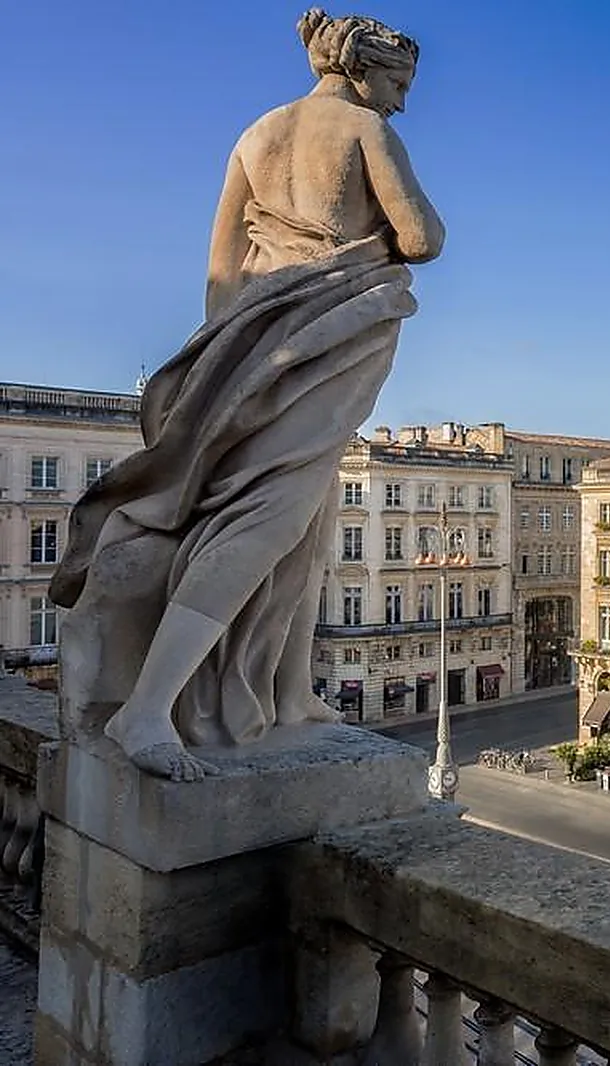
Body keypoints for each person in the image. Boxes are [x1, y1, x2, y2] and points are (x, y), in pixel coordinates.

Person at [50, 9, 444, 782]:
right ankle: (149, 707)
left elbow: (221, 268)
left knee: (314, 518)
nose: (402, 98)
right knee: (270, 515)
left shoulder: (255, 134)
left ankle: (289, 692)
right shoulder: (367, 131)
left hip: (249, 339)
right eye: (398, 80)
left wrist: (232, 359)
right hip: (323, 335)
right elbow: (423, 239)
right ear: (362, 70)